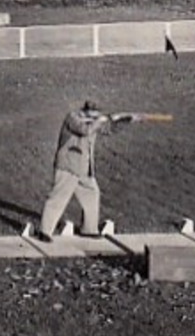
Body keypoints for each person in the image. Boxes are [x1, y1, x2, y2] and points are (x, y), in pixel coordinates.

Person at [36, 101, 140, 240]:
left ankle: (89, 229)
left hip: (84, 169)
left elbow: (107, 130)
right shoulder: (72, 118)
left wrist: (124, 121)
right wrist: (101, 120)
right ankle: (44, 231)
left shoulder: (91, 122)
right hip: (68, 166)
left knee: (92, 194)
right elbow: (85, 131)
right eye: (94, 114)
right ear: (87, 112)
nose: (97, 117)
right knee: (58, 198)